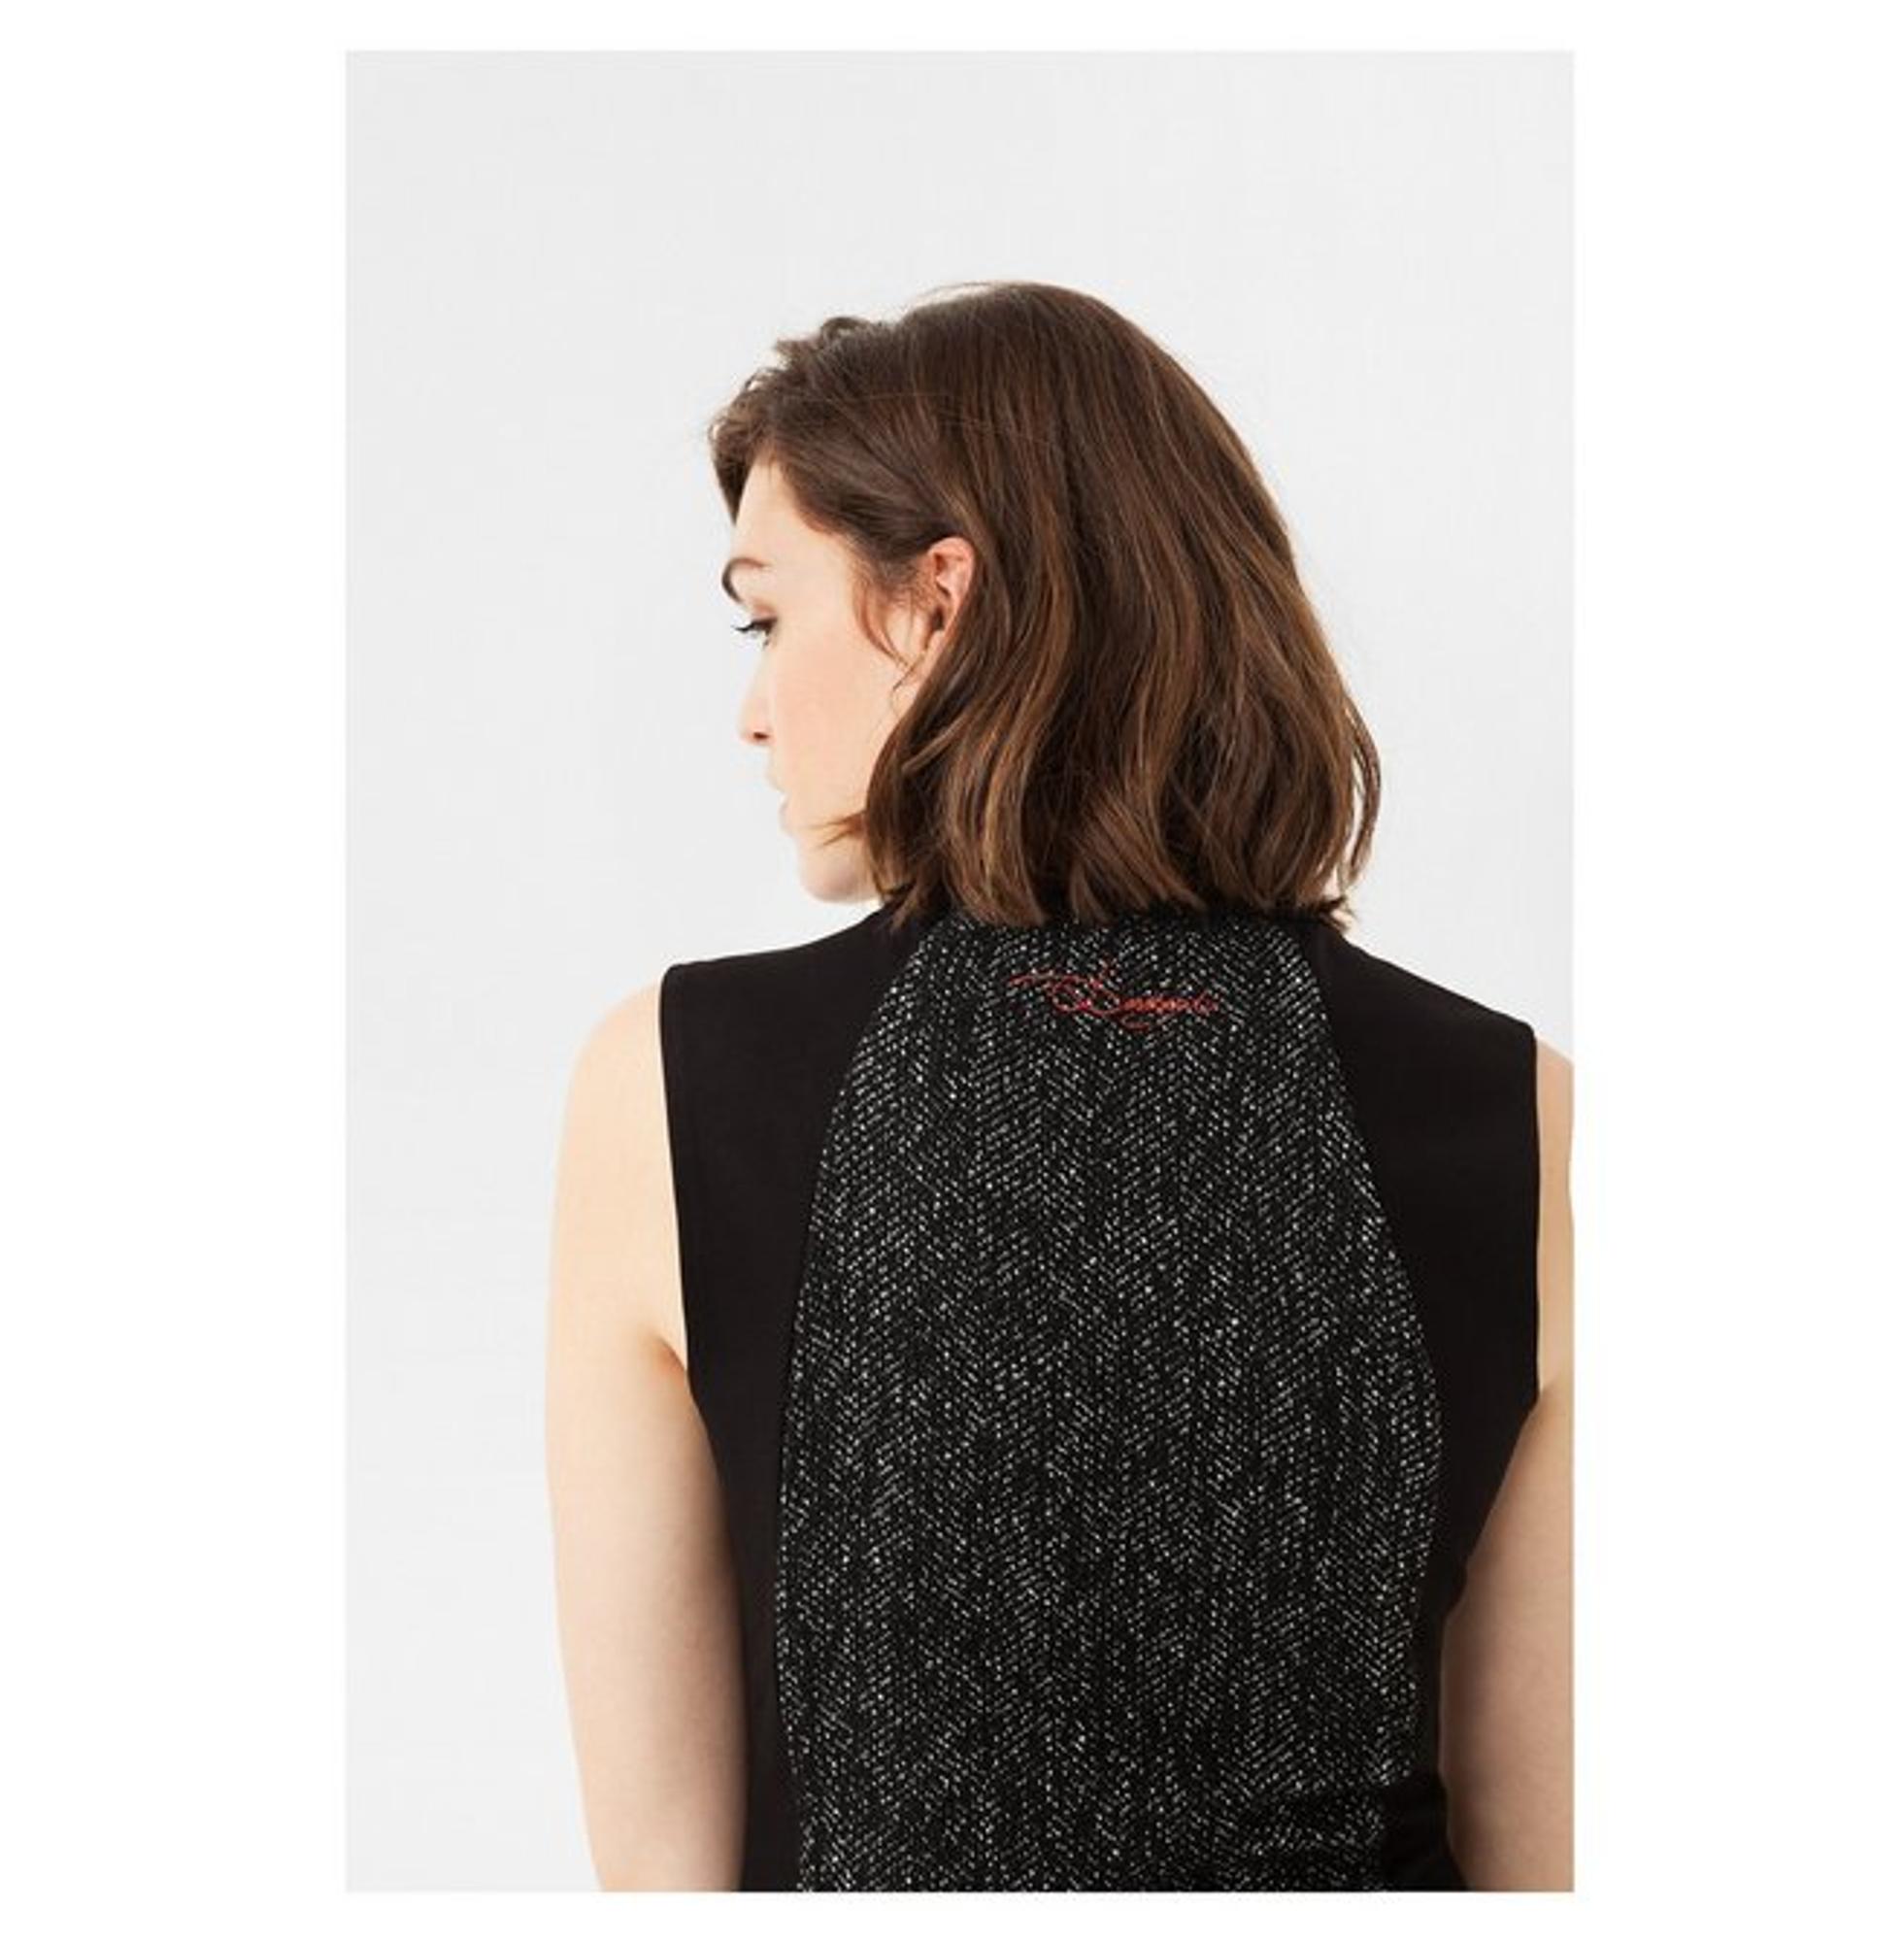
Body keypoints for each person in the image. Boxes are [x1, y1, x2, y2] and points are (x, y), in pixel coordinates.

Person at [545, 282, 1571, 1892]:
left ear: (932, 607)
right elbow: (1544, 1861)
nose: (752, 713)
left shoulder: (670, 1086)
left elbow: (664, 1878)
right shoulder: (1527, 1113)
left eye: (767, 618)